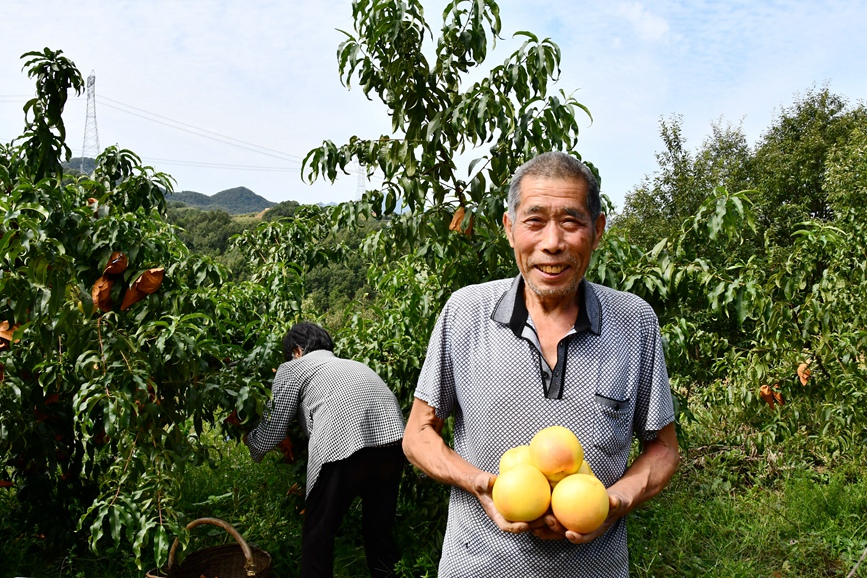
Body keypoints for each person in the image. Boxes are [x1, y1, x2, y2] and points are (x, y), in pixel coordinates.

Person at [402, 151, 680, 577]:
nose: (553, 242)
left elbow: (662, 447)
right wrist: (481, 484)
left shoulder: (634, 321)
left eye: (571, 221)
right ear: (510, 229)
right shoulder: (465, 312)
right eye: (534, 221)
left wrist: (614, 502)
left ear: (597, 230)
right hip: (476, 565)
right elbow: (418, 433)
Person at [245, 322, 405, 578]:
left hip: (342, 446)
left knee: (317, 539)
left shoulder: (294, 367)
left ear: (297, 351)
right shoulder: (353, 365)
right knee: (379, 535)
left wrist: (251, 441)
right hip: (392, 444)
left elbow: (272, 430)